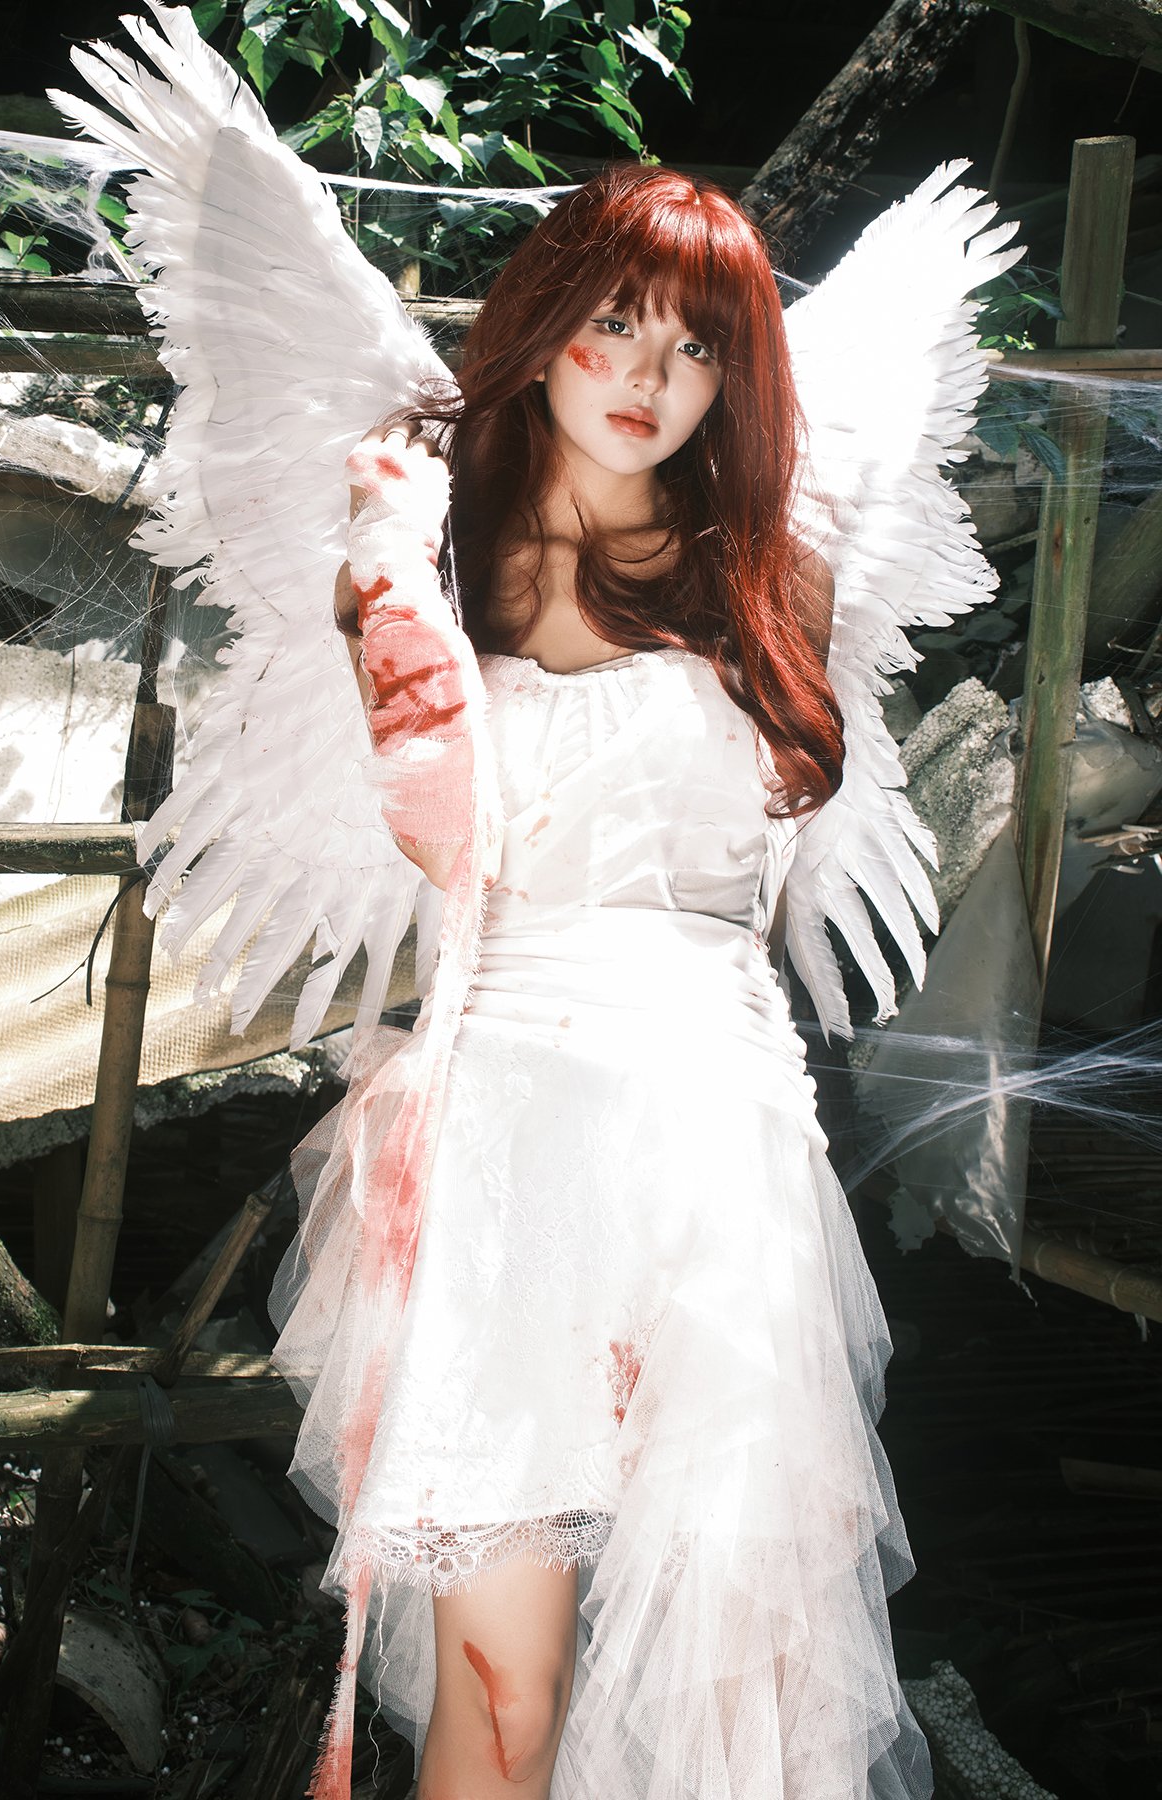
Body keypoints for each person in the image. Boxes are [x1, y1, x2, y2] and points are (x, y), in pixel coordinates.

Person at [270, 163, 934, 1800]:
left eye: (697, 346)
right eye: (618, 324)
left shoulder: (772, 574)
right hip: (508, 1139)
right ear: (548, 321)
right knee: (507, 1694)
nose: (649, 377)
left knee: (750, 1680)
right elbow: (435, 834)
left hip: (717, 1145)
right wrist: (385, 561)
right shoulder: (438, 560)